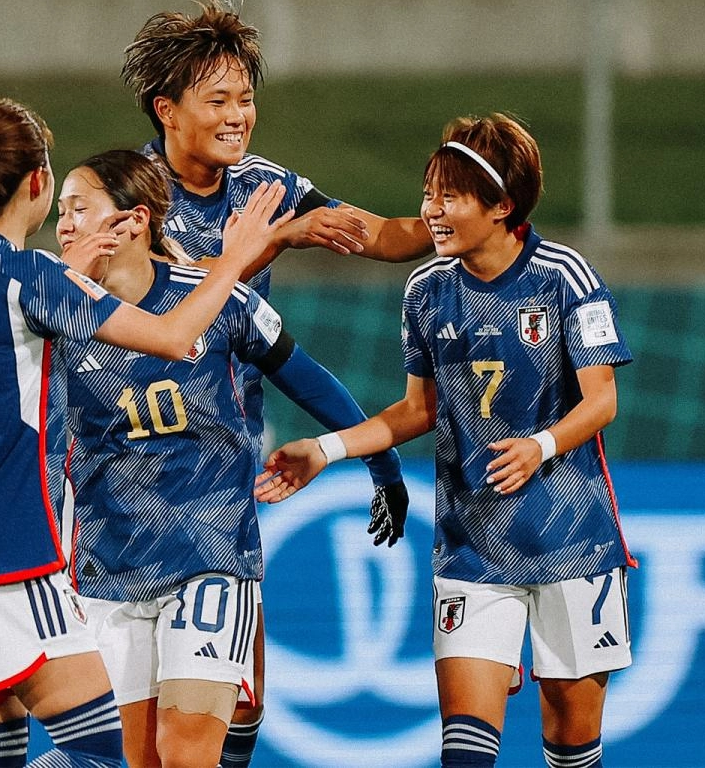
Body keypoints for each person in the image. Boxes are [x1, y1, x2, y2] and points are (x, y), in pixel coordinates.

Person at [0, 98, 289, 768]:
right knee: (106, 758)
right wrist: (232, 260)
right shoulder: (30, 277)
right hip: (7, 560)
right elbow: (175, 337)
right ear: (36, 183)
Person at [254, 114, 635, 768]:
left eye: (449, 196)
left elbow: (603, 399)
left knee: (573, 749)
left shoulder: (564, 276)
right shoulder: (427, 290)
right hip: (472, 547)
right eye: (428, 192)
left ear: (501, 205)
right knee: (463, 750)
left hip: (572, 544)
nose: (430, 210)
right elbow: (417, 409)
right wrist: (328, 449)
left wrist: (539, 446)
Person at [121, 0, 430, 763]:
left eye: (246, 98)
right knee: (136, 736)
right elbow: (178, 307)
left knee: (235, 710)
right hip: (120, 473)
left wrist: (462, 215)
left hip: (219, 472)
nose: (238, 115)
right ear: (167, 109)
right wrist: (278, 239)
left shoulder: (264, 185)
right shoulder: (129, 197)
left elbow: (381, 237)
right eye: (217, 99)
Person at [53, 149, 408, 768]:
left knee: (187, 752)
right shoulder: (52, 317)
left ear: (134, 221)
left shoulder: (221, 301)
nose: (62, 225)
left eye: (78, 209)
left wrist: (382, 467)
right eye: (59, 212)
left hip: (209, 556)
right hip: (108, 567)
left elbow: (310, 380)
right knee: (129, 762)